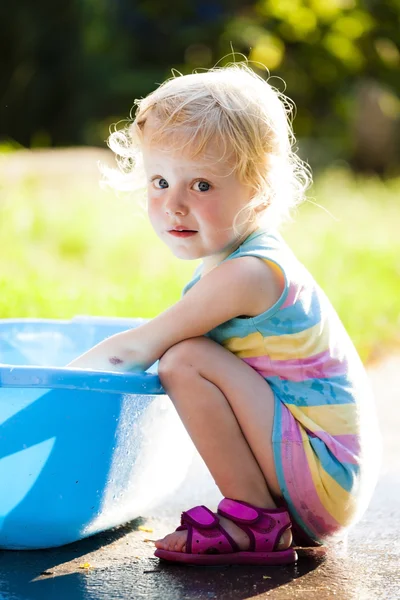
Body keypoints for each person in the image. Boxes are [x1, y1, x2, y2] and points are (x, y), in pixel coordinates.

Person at [68, 63, 381, 566]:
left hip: (325, 477)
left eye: (202, 186)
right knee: (187, 352)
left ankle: (252, 521)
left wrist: (51, 387)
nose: (173, 205)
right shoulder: (236, 263)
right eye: (160, 180)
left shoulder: (250, 274)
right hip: (322, 475)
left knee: (183, 358)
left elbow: (140, 347)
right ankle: (261, 514)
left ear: (258, 188)